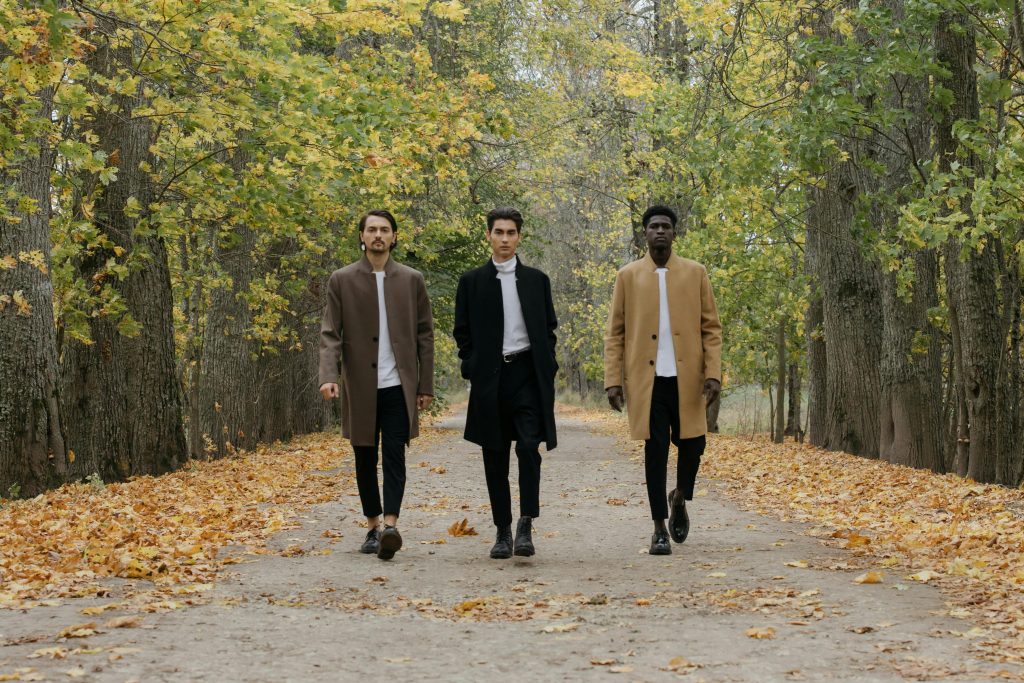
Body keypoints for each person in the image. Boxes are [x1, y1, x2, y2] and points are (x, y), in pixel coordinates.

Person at [603, 205, 722, 556]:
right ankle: (658, 528)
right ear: (645, 233)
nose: (659, 231)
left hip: (688, 380)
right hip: (648, 382)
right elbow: (615, 334)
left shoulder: (695, 273)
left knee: (693, 446)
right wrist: (613, 380)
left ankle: (679, 496)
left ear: (674, 233)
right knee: (654, 452)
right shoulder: (628, 276)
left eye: (665, 226)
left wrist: (713, 373)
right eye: (653, 226)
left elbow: (711, 328)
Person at [318, 209, 435, 561]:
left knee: (395, 454)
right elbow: (330, 333)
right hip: (360, 385)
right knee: (364, 456)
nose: (378, 235)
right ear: (362, 236)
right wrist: (329, 375)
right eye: (372, 229)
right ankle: (372, 526)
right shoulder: (342, 279)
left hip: (399, 385)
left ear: (394, 236)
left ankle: (390, 526)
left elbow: (425, 336)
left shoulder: (412, 279)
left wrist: (425, 384)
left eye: (385, 229)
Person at [454, 207, 558, 559]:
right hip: (490, 377)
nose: (504, 239)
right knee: (494, 454)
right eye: (498, 232)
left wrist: (548, 363)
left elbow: (549, 328)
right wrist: (472, 364)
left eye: (511, 233)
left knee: (529, 447)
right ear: (488, 235)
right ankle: (502, 531)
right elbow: (462, 331)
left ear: (519, 237)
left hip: (527, 374)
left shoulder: (536, 281)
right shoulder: (471, 282)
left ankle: (525, 525)